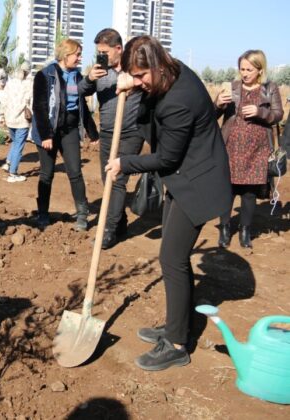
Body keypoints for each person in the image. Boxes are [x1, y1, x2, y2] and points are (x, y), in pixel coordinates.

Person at [105, 36, 232, 371]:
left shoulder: (180, 99)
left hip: (198, 183)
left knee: (172, 259)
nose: (141, 81)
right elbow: (148, 119)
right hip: (184, 178)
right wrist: (134, 86)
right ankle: (176, 327)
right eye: (135, 75)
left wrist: (123, 163)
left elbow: (165, 156)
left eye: (142, 75)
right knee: (175, 259)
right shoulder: (170, 74)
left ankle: (177, 344)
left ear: (157, 65)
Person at [79, 28, 145, 249]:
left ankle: (108, 229)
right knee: (107, 178)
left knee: (117, 180)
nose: (102, 56)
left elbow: (155, 83)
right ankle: (121, 222)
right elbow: (80, 91)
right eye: (98, 51)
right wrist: (89, 79)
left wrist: (134, 81)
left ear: (119, 49)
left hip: (131, 133)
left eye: (105, 51)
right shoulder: (100, 71)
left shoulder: (135, 68)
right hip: (107, 132)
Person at [214, 50, 283, 249]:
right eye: (242, 69)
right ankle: (225, 228)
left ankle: (245, 230)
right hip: (231, 147)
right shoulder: (232, 88)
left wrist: (260, 112)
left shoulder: (270, 88)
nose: (244, 73)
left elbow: (278, 114)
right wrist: (218, 104)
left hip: (257, 150)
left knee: (250, 193)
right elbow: (212, 114)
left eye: (249, 69)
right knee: (227, 190)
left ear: (260, 69)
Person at [31, 38, 99, 231]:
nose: (79, 58)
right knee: (46, 174)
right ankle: (43, 213)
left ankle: (83, 214)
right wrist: (45, 135)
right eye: (77, 54)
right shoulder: (45, 75)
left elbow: (82, 107)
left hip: (69, 130)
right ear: (65, 55)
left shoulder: (77, 76)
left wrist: (92, 132)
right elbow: (40, 106)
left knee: (75, 172)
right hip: (49, 130)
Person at [0, 61, 33, 183]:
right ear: (28, 71)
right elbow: (32, 102)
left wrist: (1, 116)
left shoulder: (10, 83)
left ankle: (8, 163)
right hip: (22, 120)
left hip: (10, 119)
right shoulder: (29, 84)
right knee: (19, 146)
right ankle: (13, 174)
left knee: (15, 142)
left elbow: (4, 100)